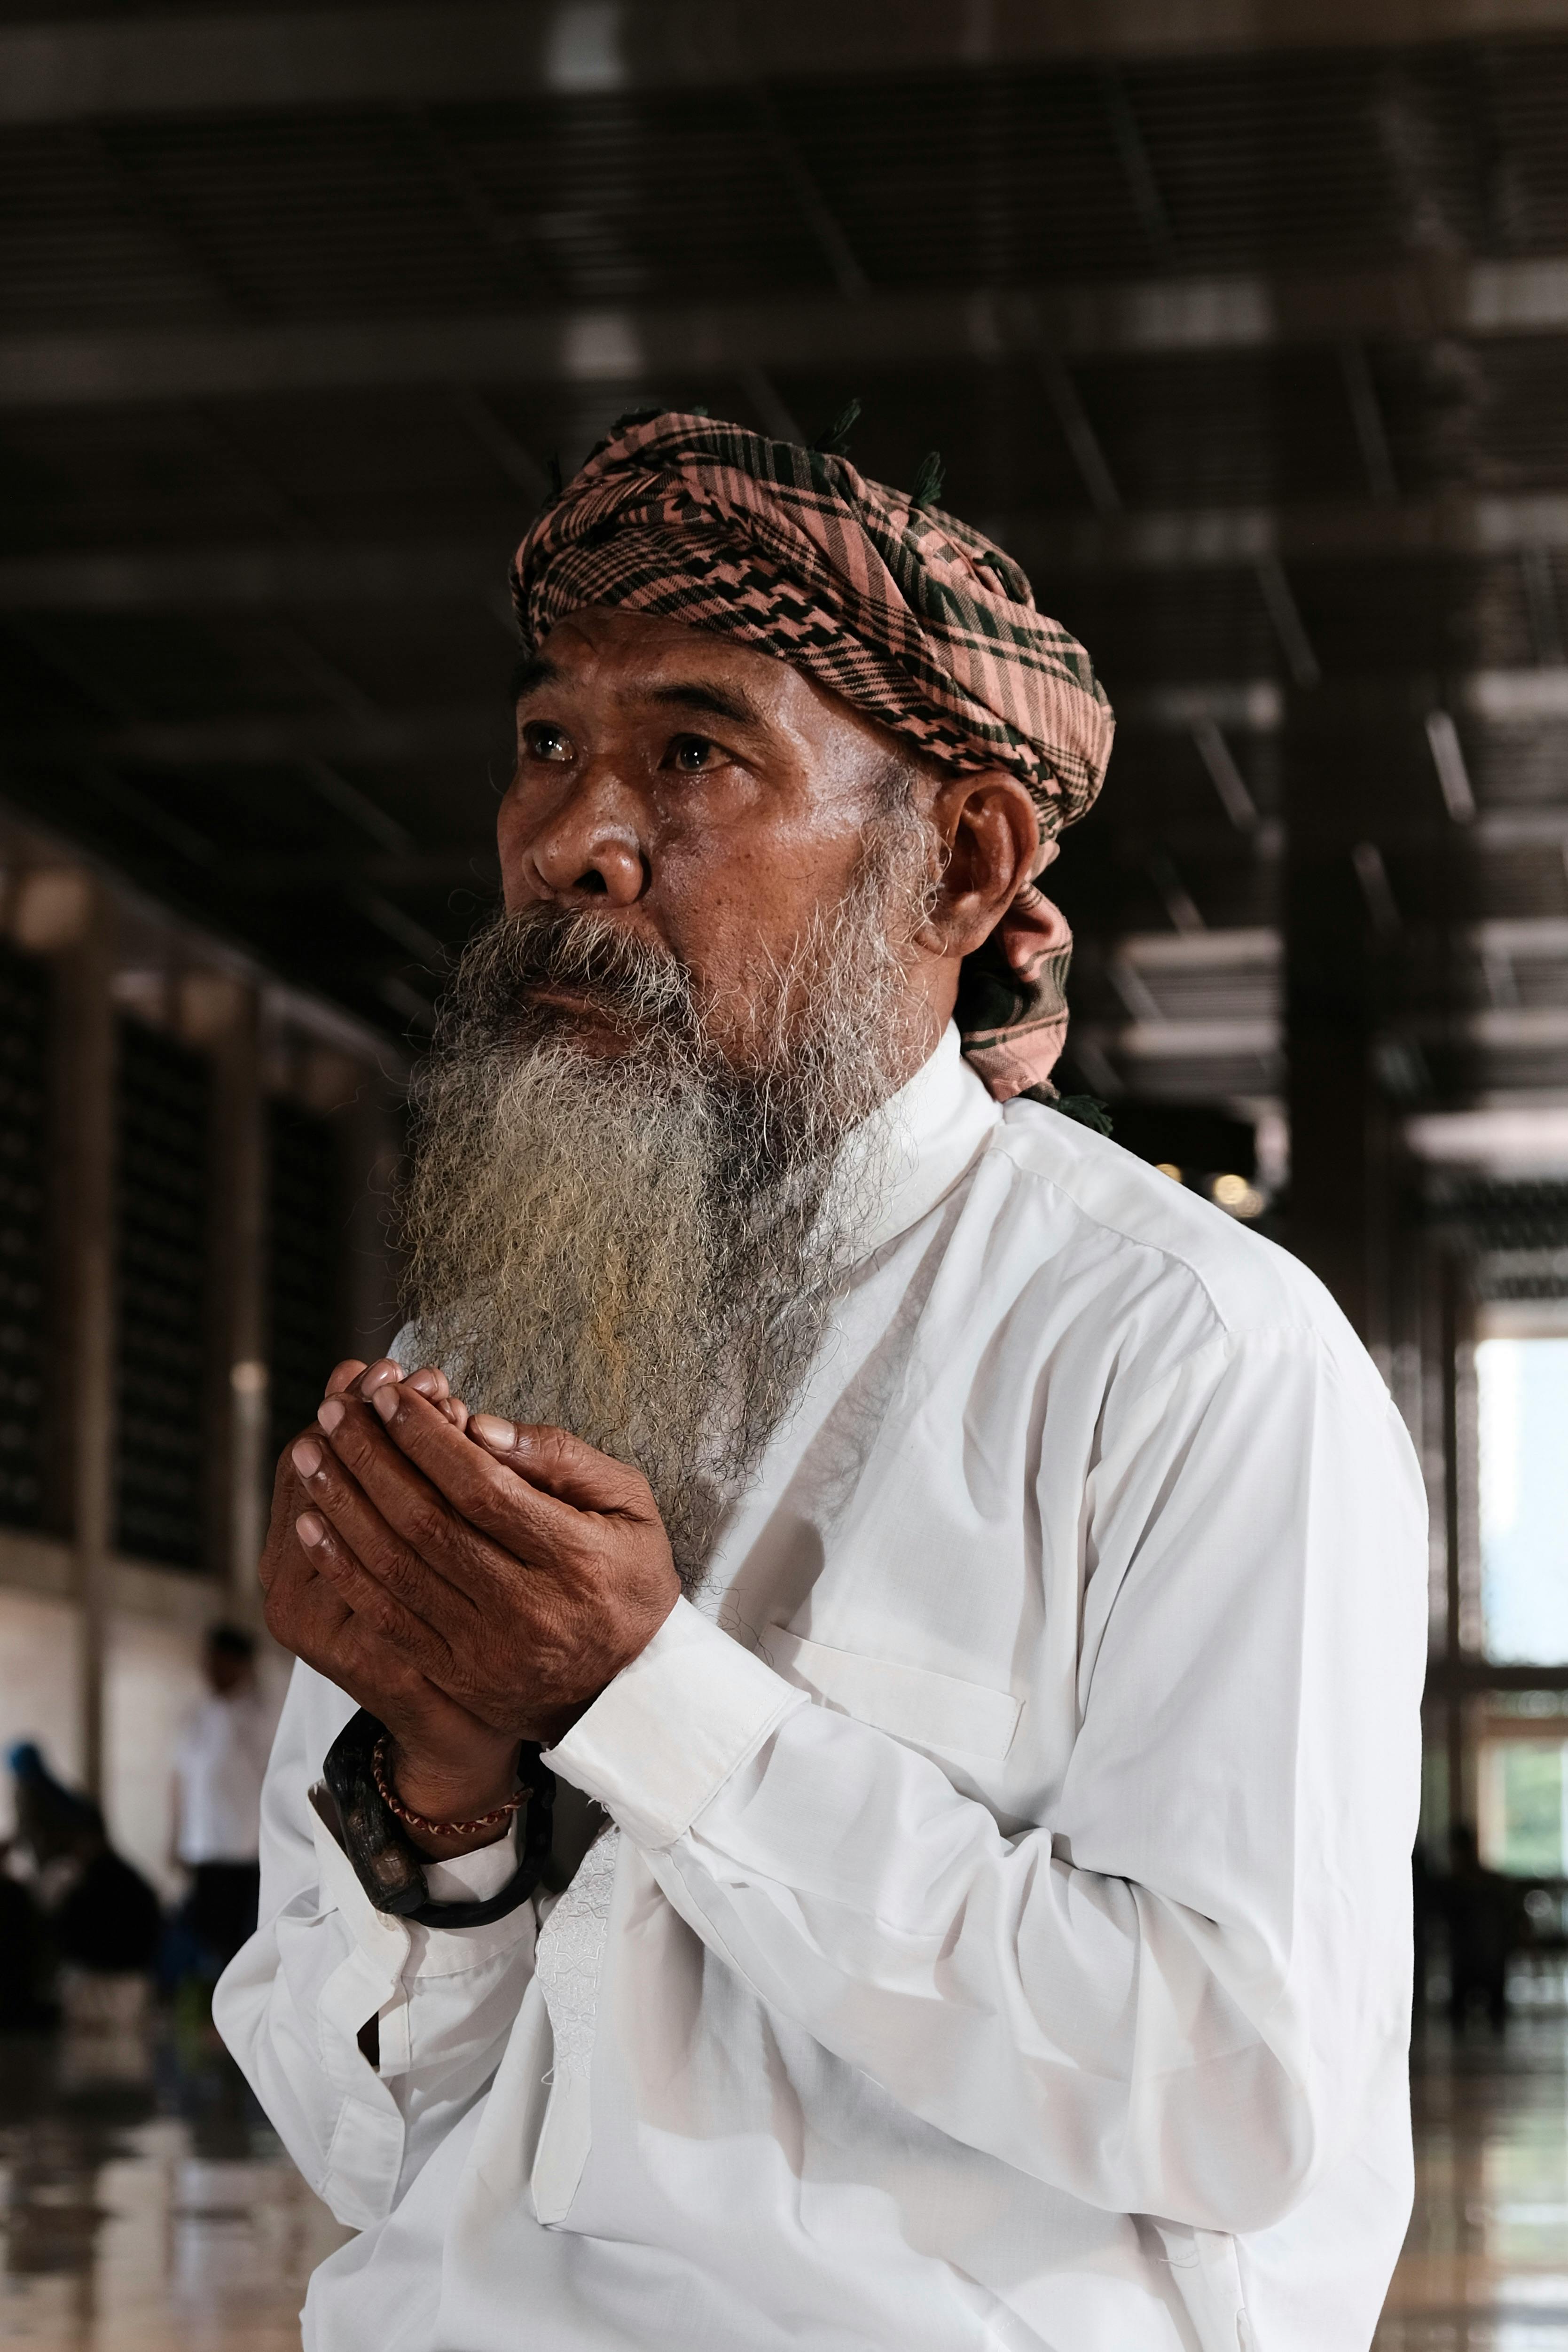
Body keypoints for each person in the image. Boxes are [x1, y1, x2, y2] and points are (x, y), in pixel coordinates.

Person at [216, 410, 1427, 2352]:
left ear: (958, 860)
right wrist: (439, 1802)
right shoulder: (477, 1357)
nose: (571, 840)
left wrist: (640, 1697)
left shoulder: (1182, 1357)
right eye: (546, 745)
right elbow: (373, 2149)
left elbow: (1233, 2096)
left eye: (691, 754)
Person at [172, 1623, 275, 1971]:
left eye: (218, 1662)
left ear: (240, 1664)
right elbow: (181, 1781)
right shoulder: (197, 1716)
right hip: (204, 1847)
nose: (210, 1670)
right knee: (207, 1938)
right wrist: (176, 1838)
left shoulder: (262, 1716)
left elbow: (275, 1780)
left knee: (242, 1939)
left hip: (246, 1850)